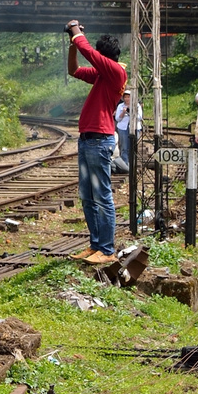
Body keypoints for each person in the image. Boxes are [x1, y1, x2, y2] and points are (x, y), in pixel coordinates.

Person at [66, 21, 125, 261]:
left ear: (104, 56)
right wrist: (73, 43)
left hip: (100, 140)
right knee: (88, 196)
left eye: (99, 55)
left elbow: (88, 53)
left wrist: (76, 33)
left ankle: (107, 250)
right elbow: (74, 70)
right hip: (87, 139)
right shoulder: (102, 74)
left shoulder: (116, 71)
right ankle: (96, 245)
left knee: (102, 196)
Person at [113, 89, 141, 174]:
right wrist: (123, 112)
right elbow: (117, 118)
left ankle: (133, 165)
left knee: (134, 147)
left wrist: (132, 112)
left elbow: (139, 117)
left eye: (128, 97)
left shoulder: (137, 105)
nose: (127, 99)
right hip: (123, 128)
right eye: (125, 97)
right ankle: (125, 166)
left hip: (135, 127)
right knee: (124, 147)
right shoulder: (120, 106)